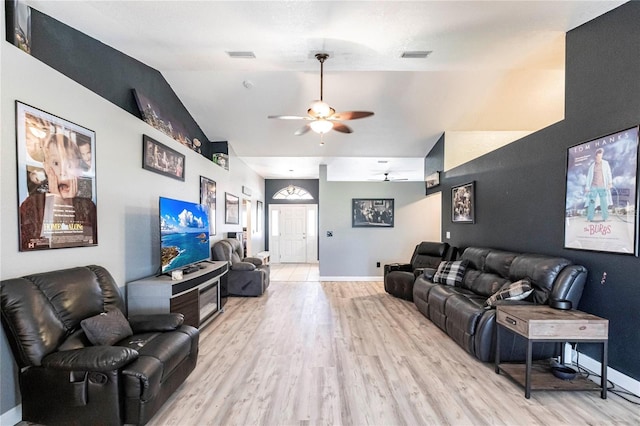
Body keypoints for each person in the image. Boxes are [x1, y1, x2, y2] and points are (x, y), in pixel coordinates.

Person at [19, 134, 97, 250]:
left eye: (69, 165)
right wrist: (55, 200)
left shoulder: (88, 207)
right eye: (56, 163)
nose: (62, 172)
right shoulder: (31, 204)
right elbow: (35, 248)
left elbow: (86, 244)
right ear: (46, 167)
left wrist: (66, 203)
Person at [584, 147, 613, 222]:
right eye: (598, 156)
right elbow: (588, 177)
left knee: (604, 202)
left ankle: (605, 218)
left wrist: (610, 182)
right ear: (596, 156)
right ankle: (589, 218)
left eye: (601, 156)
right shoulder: (592, 166)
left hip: (602, 186)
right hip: (593, 186)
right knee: (592, 202)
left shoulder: (605, 163)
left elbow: (609, 173)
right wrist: (587, 187)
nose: (600, 158)